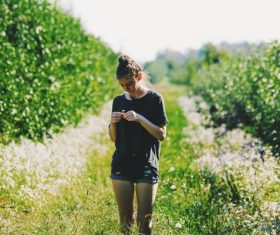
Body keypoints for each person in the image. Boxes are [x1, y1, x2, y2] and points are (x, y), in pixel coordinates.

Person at [108, 54, 168, 234]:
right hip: (122, 164)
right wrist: (113, 123)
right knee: (125, 224)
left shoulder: (155, 99)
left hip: (146, 165)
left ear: (139, 77)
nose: (126, 89)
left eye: (129, 84)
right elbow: (113, 138)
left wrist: (141, 118)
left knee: (145, 225)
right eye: (122, 86)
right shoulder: (118, 101)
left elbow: (161, 135)